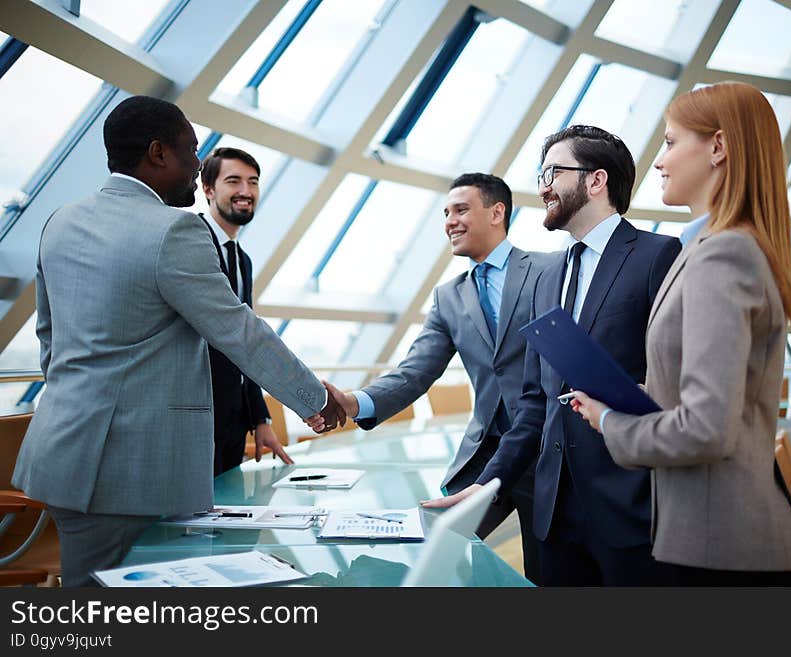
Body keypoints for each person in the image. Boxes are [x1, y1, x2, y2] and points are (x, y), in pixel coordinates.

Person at [12, 95, 344, 586]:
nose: (196, 165)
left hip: (61, 455)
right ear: (158, 153)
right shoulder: (175, 230)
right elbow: (238, 330)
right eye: (190, 151)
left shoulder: (60, 221)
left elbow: (50, 337)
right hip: (134, 473)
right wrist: (314, 398)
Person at [569, 82, 791, 586]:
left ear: (718, 148)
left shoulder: (724, 254)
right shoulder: (718, 249)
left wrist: (611, 420)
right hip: (717, 542)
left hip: (723, 552)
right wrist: (635, 397)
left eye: (670, 142)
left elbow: (706, 429)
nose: (659, 161)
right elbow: (708, 402)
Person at [425, 126, 681, 586]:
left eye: (552, 172)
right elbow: (534, 401)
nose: (542, 186)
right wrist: (487, 485)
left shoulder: (657, 255)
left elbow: (675, 379)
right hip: (555, 515)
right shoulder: (547, 277)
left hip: (630, 507)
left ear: (596, 180)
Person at [321, 173, 554, 584]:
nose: (450, 221)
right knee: (433, 556)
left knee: (546, 574)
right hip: (485, 453)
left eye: (461, 209)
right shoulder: (449, 296)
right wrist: (356, 402)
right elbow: (416, 371)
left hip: (547, 450)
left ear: (497, 212)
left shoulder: (548, 270)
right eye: (446, 213)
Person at [198, 147, 289, 476]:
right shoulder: (190, 241)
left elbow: (244, 343)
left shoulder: (242, 259)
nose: (245, 192)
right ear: (208, 189)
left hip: (232, 419)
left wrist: (259, 418)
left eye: (253, 182)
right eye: (233, 181)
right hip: (196, 416)